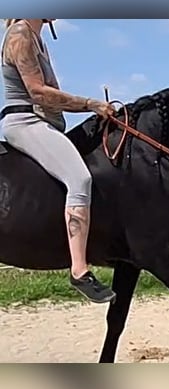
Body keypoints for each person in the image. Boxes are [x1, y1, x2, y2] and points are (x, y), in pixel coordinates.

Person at [0, 18, 117, 303]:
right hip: (25, 122)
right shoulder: (20, 35)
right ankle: (79, 269)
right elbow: (38, 92)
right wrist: (91, 104)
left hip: (45, 123)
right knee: (80, 179)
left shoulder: (37, 38)